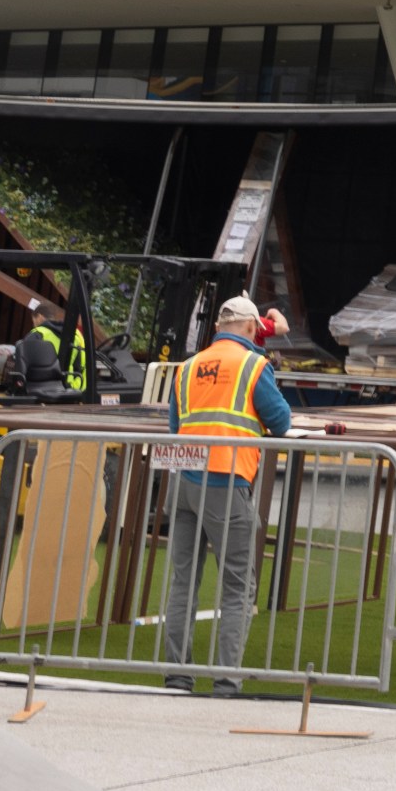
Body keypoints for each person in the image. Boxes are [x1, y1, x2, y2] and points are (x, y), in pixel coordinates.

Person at [159, 296, 293, 694]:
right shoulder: (254, 365)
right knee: (237, 587)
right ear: (252, 328)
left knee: (184, 582)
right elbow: (281, 422)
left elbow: (174, 425)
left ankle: (178, 677)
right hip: (228, 480)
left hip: (184, 481)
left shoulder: (187, 367)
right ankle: (226, 681)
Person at [14, 290, 95, 404]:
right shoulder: (76, 334)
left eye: (33, 320)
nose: (34, 324)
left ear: (40, 317)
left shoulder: (38, 334)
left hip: (46, 389)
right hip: (79, 388)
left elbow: (23, 366)